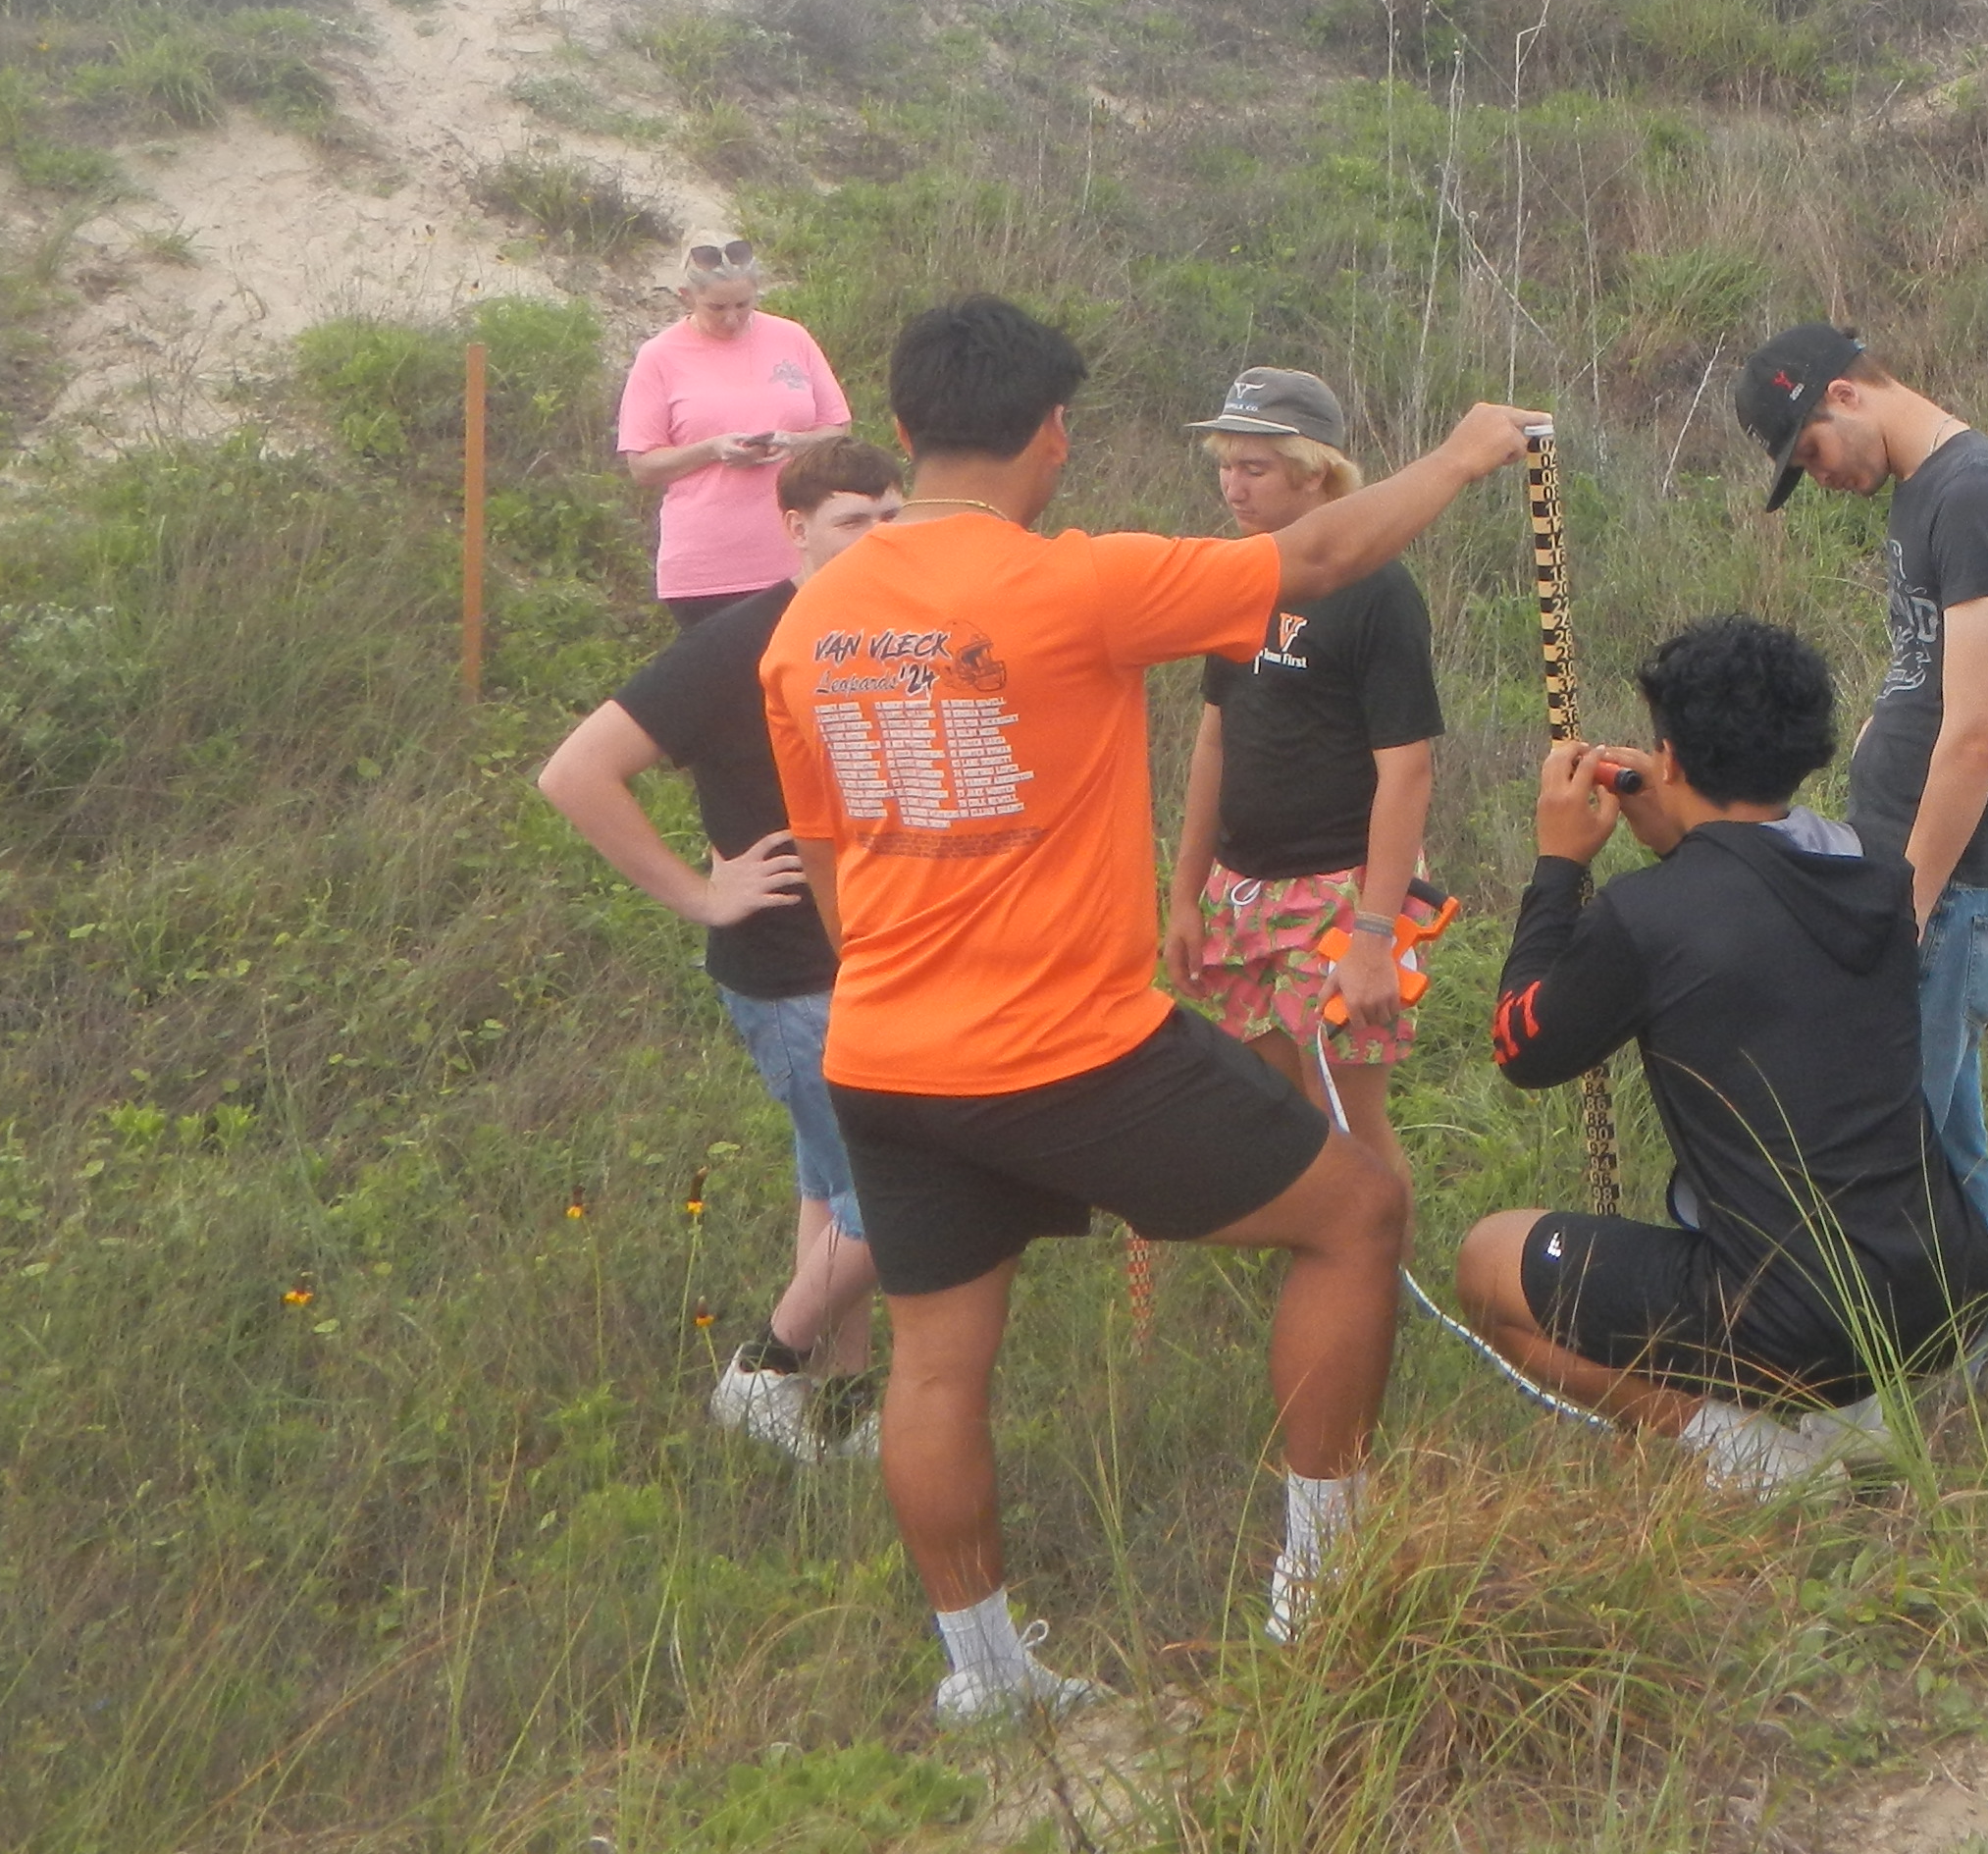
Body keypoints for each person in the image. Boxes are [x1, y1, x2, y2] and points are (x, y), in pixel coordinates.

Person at [759, 294, 1544, 1721]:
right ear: (1051, 434)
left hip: (883, 1050)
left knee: (938, 1365)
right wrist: (1466, 453)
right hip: (1070, 1048)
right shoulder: (1074, 582)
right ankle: (1321, 1581)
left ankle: (987, 1677)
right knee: (1358, 1211)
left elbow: (825, 863)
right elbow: (1317, 553)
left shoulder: (809, 623)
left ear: (906, 427)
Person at [1449, 615, 1988, 1491]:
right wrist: (1682, 837)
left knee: (1487, 1260)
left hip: (1792, 1318)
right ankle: (1851, 1422)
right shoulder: (1878, 884)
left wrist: (1557, 866)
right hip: (1942, 1289)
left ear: (1667, 757)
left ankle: (1752, 1456)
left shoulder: (1648, 916)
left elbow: (1523, 1044)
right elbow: (1753, 903)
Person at [535, 432, 907, 1462]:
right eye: (851, 522)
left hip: (871, 962)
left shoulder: (886, 630)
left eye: (891, 516)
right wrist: (702, 893)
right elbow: (575, 774)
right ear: (793, 528)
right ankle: (767, 1370)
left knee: (832, 1199)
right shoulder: (740, 643)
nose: (879, 538)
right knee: (894, 1198)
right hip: (790, 977)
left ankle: (834, 1414)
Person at [1732, 322, 1988, 1255]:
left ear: (1843, 394)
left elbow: (1976, 732)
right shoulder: (1925, 496)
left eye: (1811, 451)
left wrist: (1909, 902)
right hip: (1909, 868)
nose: (1824, 475)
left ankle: (1925, 1365)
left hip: (1951, 890)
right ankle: (1963, 1365)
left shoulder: (1975, 497)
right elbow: (1923, 670)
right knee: (1938, 1140)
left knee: (1888, 1147)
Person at [1157, 367, 1443, 1176]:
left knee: (1348, 1123)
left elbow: (1408, 770)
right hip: (1242, 888)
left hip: (1341, 890)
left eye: (1255, 468)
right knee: (1270, 1112)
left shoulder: (1376, 590)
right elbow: (1215, 739)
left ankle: (1376, 1287)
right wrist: (1185, 897)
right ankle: (1313, 1271)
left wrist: (1374, 936)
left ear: (1313, 467)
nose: (1232, 486)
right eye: (1224, 464)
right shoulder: (1240, 572)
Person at [617, 240, 849, 623]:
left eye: (743, 305)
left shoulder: (792, 338)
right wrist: (712, 449)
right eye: (717, 308)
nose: (732, 319)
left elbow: (837, 429)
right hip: (707, 568)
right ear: (686, 296)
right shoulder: (659, 356)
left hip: (798, 555)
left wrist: (794, 442)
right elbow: (642, 466)